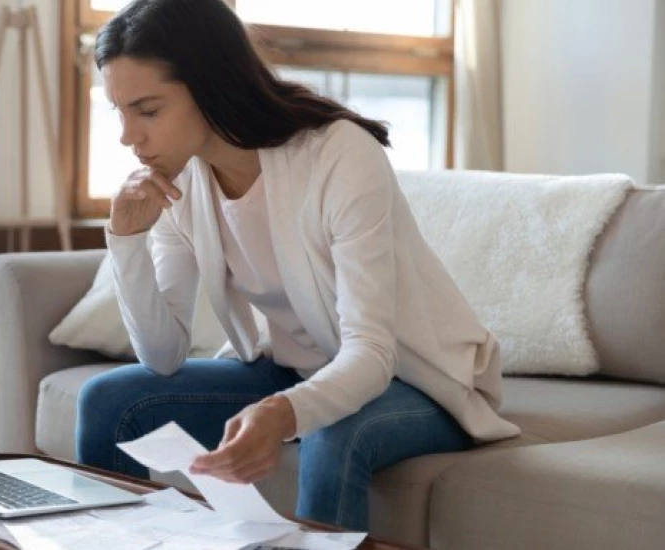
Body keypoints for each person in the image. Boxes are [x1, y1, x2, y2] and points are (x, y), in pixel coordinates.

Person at [74, 0, 521, 531]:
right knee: (109, 399)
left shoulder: (339, 155)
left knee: (335, 430)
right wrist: (126, 240)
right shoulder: (182, 182)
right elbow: (163, 356)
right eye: (119, 112)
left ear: (212, 86)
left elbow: (373, 352)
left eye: (148, 111)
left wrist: (283, 411)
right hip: (296, 367)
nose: (129, 136)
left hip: (414, 378)